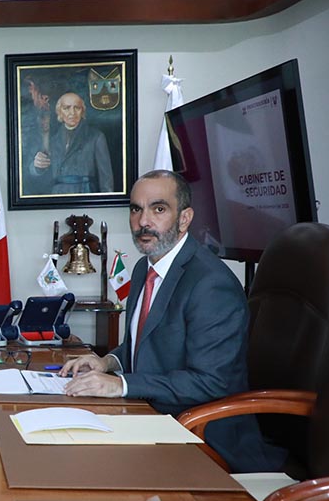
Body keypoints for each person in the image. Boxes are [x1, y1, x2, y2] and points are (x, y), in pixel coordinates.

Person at [59, 170, 283, 472]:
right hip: (149, 416)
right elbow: (148, 344)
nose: (143, 221)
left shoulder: (210, 284)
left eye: (159, 209)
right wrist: (107, 362)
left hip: (200, 437)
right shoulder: (144, 269)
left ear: (185, 218)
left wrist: (120, 385)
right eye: (136, 209)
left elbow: (211, 382)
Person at [30, 92, 115, 194]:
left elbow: (106, 179)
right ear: (59, 112)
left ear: (82, 111)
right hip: (59, 195)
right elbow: (37, 172)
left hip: (85, 194)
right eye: (66, 108)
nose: (72, 113)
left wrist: (106, 201)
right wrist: (37, 166)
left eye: (77, 108)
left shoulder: (96, 137)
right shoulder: (53, 141)